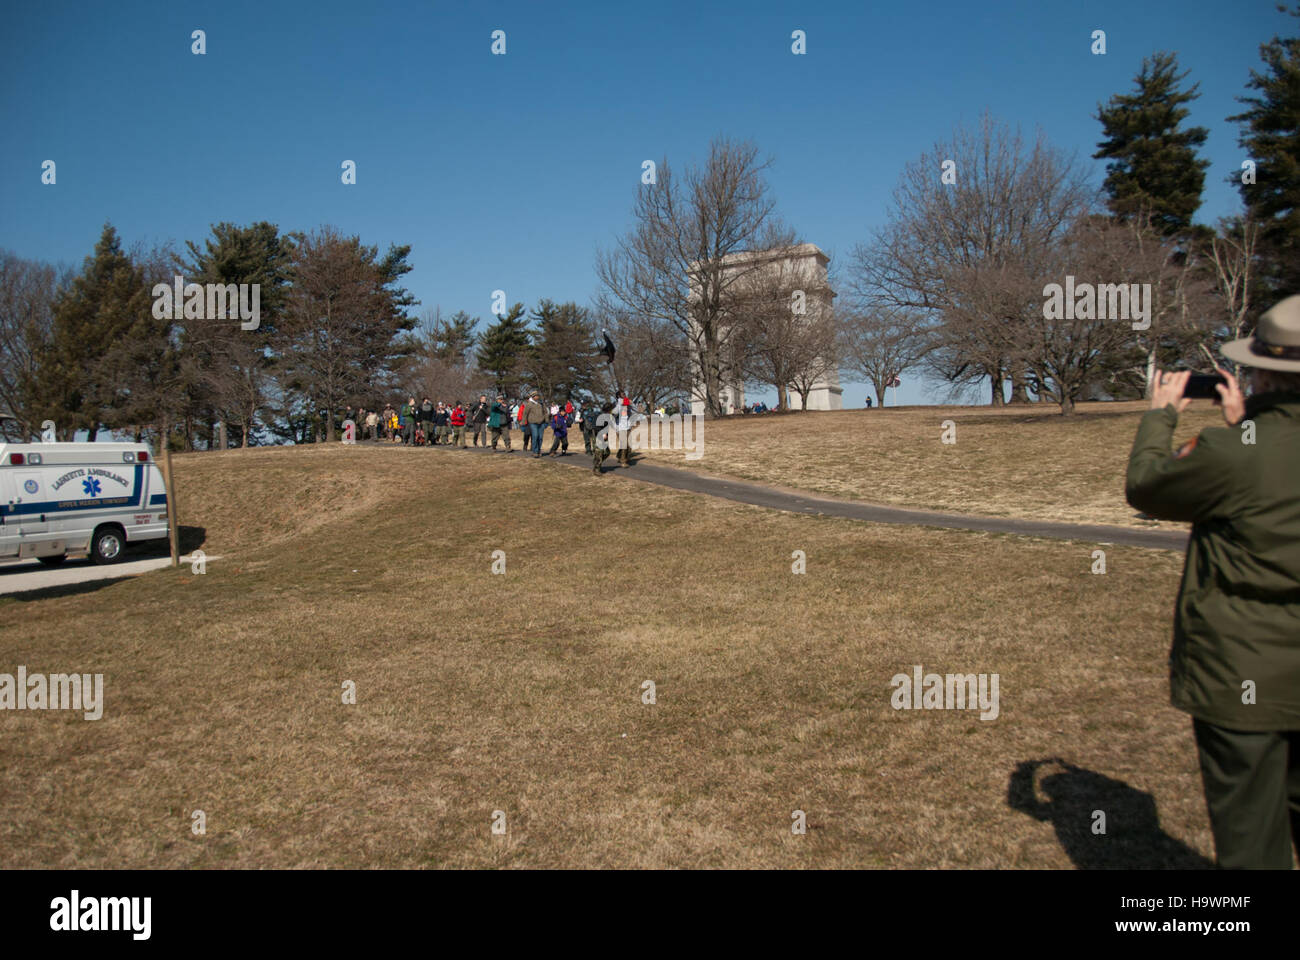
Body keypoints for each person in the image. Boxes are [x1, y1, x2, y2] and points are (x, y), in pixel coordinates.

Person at [1125, 294, 1300, 869]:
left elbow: (1149, 486)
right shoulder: (1245, 444)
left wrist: (1162, 414)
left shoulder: (1233, 452)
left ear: (1259, 370)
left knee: (1252, 838)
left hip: (1244, 670)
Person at [522, 392, 547, 458]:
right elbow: (525, 413)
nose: (537, 397)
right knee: (535, 436)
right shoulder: (529, 404)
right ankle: (535, 451)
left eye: (538, 396)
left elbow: (545, 412)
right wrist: (523, 422)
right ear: (533, 397)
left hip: (541, 423)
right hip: (533, 423)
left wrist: (546, 421)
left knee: (540, 437)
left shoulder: (541, 403)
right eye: (535, 396)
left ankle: (539, 450)